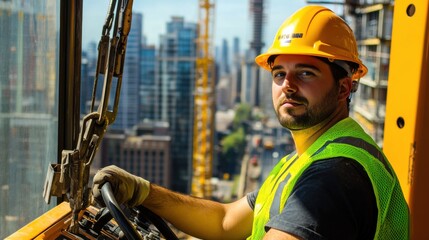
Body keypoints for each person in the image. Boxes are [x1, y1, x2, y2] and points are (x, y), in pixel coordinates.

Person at [92, 5, 409, 239]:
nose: (288, 84)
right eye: (280, 73)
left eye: (306, 72)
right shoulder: (300, 162)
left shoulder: (334, 176)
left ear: (343, 88)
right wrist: (144, 192)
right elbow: (225, 221)